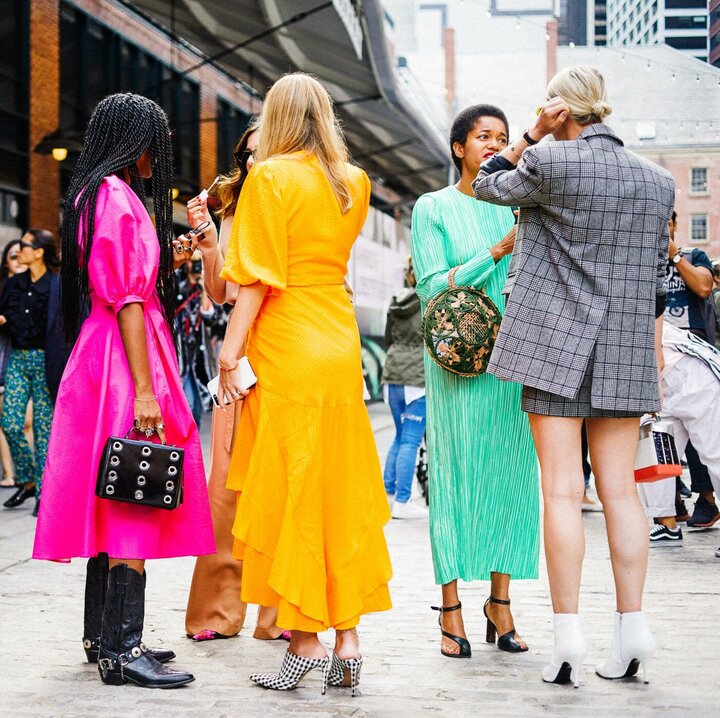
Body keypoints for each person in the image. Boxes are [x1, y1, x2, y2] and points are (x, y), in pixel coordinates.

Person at [473, 66, 674, 687]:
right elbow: (655, 278)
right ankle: (633, 628)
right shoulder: (657, 181)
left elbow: (485, 184)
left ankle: (567, 640)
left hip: (552, 346)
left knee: (561, 492)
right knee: (622, 493)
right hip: (623, 348)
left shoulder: (549, 161)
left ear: (561, 108)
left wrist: (531, 132)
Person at [32, 93, 215, 689]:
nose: (158, 153)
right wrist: (144, 391)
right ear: (136, 141)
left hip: (100, 354)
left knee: (110, 492)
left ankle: (102, 637)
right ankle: (124, 649)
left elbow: (124, 283)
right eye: (154, 141)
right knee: (136, 489)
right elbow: (130, 299)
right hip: (124, 358)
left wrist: (173, 255)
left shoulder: (92, 194)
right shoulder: (117, 196)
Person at [218, 72, 392, 694]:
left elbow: (257, 280)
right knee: (335, 489)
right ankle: (347, 640)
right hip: (338, 344)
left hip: (287, 341)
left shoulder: (270, 177)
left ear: (277, 116)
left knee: (293, 489)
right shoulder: (354, 182)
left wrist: (228, 353)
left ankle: (304, 641)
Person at [411, 104, 539, 660]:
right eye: (483, 136)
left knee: (510, 477)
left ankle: (500, 603)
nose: (494, 144)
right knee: (456, 476)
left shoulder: (520, 207)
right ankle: (450, 607)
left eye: (502, 137)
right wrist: (495, 252)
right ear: (459, 147)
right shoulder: (433, 207)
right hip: (457, 364)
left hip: (512, 361)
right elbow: (431, 287)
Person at [184, 122, 288, 643]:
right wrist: (209, 248)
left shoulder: (303, 203)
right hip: (242, 358)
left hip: (291, 353)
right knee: (225, 485)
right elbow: (224, 292)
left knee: (284, 485)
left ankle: (283, 616)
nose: (251, 162)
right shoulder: (236, 209)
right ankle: (217, 611)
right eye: (247, 154)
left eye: (262, 152)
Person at [638, 322, 720, 550]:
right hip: (660, 379)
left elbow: (656, 353)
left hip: (687, 370)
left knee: (715, 453)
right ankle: (666, 525)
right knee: (654, 453)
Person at [0, 230, 64, 516]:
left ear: (39, 252)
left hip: (45, 361)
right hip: (18, 358)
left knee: (43, 430)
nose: (18, 250)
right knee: (10, 423)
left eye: (24, 245)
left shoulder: (57, 286)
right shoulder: (14, 284)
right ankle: (27, 480)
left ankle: (42, 492)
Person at [663, 213, 719, 529]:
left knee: (703, 438)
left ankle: (707, 499)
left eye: (665, 222)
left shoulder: (694, 255)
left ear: (674, 224)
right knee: (661, 436)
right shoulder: (643, 258)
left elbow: (703, 286)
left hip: (692, 347)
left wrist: (674, 255)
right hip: (658, 351)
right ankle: (670, 508)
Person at [382, 257, 428, 519]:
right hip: (416, 376)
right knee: (411, 439)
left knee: (400, 436)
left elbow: (388, 337)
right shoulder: (427, 301)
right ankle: (403, 501)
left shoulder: (395, 301)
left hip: (392, 373)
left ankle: (388, 493)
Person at [175, 251, 217, 428]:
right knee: (188, 404)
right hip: (181, 353)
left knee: (198, 408)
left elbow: (210, 317)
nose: (196, 265)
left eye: (199, 261)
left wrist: (203, 288)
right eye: (193, 261)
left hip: (199, 356)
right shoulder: (177, 284)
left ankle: (193, 439)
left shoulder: (202, 286)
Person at [0, 240, 28, 488]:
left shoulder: (41, 287)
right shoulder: (4, 290)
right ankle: (11, 474)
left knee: (28, 422)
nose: (18, 259)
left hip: (30, 362)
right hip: (4, 360)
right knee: (6, 423)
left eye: (21, 254)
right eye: (12, 256)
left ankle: (29, 475)